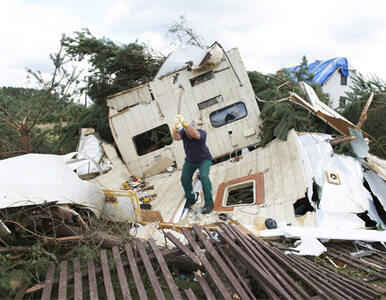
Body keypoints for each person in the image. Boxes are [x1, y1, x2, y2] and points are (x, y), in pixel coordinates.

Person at [171, 115, 214, 214]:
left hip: (204, 160)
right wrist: (175, 129)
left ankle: (209, 203)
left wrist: (184, 124)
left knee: (204, 177)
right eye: (186, 132)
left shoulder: (202, 133)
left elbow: (196, 135)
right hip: (190, 161)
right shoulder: (185, 132)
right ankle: (191, 198)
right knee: (184, 178)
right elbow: (176, 138)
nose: (188, 134)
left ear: (194, 129)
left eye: (189, 131)